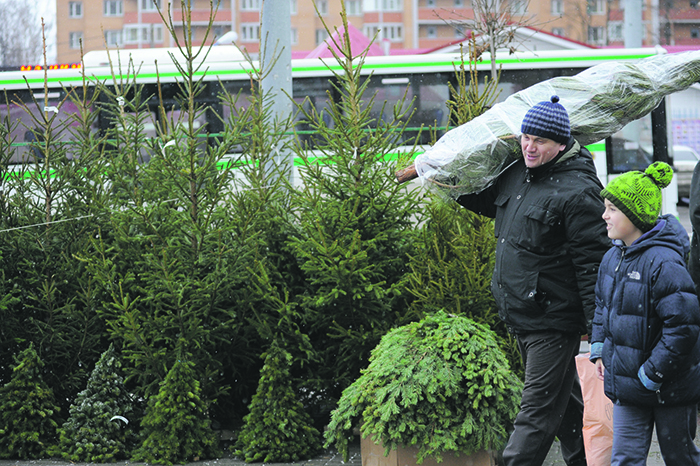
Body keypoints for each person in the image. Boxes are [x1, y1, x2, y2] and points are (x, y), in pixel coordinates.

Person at [456, 95, 610, 466]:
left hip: (553, 320)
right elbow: (489, 201)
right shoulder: (519, 172)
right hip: (524, 314)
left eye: (540, 140)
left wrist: (600, 332)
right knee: (567, 407)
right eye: (526, 137)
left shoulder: (579, 191)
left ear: (561, 144)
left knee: (536, 413)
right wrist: (450, 180)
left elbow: (594, 268)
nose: (529, 146)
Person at [590, 161, 700, 465]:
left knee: (680, 457)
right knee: (624, 458)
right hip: (628, 386)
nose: (604, 216)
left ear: (635, 216)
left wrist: (652, 373)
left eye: (612, 208)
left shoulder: (664, 263)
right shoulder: (612, 257)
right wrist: (600, 350)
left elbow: (684, 328)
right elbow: (602, 307)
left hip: (670, 388)